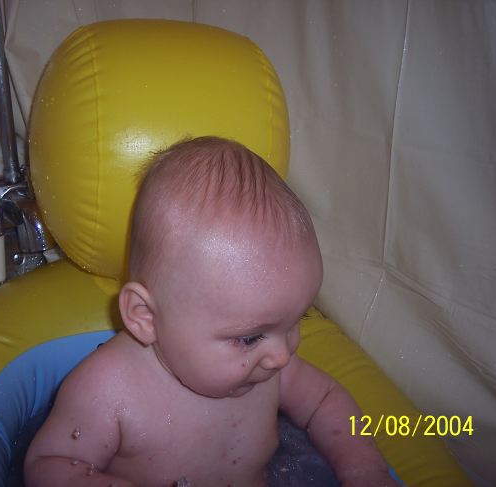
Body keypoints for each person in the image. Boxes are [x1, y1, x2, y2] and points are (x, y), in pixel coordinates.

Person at [24, 136, 399, 487]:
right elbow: (50, 464)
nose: (283, 355)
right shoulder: (108, 388)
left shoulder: (267, 368)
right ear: (146, 317)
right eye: (249, 338)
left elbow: (325, 400)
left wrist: (364, 469)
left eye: (295, 322)